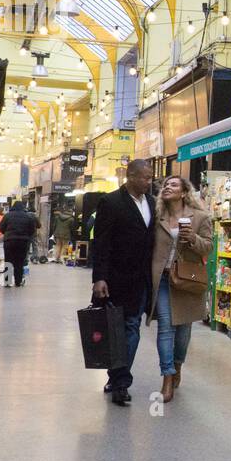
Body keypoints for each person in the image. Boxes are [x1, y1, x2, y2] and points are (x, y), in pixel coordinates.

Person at [90, 160, 156, 406]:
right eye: (144, 177)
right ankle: (119, 379)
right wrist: (99, 277)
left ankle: (120, 380)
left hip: (141, 280)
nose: (148, 182)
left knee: (131, 328)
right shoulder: (111, 202)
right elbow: (101, 243)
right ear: (129, 176)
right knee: (116, 330)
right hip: (116, 279)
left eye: (150, 178)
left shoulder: (151, 203)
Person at [148, 175, 212, 403]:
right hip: (163, 279)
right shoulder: (157, 217)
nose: (167, 187)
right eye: (165, 184)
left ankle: (177, 365)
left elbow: (209, 247)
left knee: (183, 330)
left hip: (187, 280)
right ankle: (167, 377)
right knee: (166, 326)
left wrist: (193, 238)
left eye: (173, 185)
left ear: (184, 192)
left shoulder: (200, 217)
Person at [0, 201, 39, 287]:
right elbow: (32, 230)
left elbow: (1, 228)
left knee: (8, 261)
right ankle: (18, 281)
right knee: (19, 261)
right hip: (23, 242)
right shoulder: (27, 216)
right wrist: (26, 236)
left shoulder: (7, 216)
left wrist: (7, 233)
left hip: (9, 241)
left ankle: (7, 281)